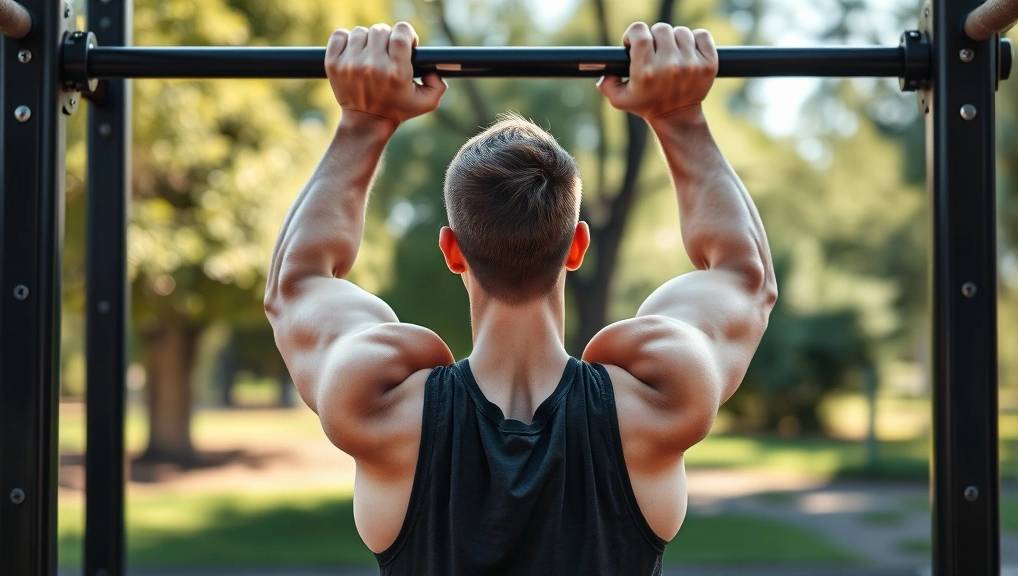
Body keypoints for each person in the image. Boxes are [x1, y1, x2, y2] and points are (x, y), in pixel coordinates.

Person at [265, 20, 777, 576]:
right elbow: (744, 277)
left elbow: (296, 286)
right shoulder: (662, 401)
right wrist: (680, 117)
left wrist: (364, 121)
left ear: (452, 251)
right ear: (577, 245)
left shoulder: (376, 409)